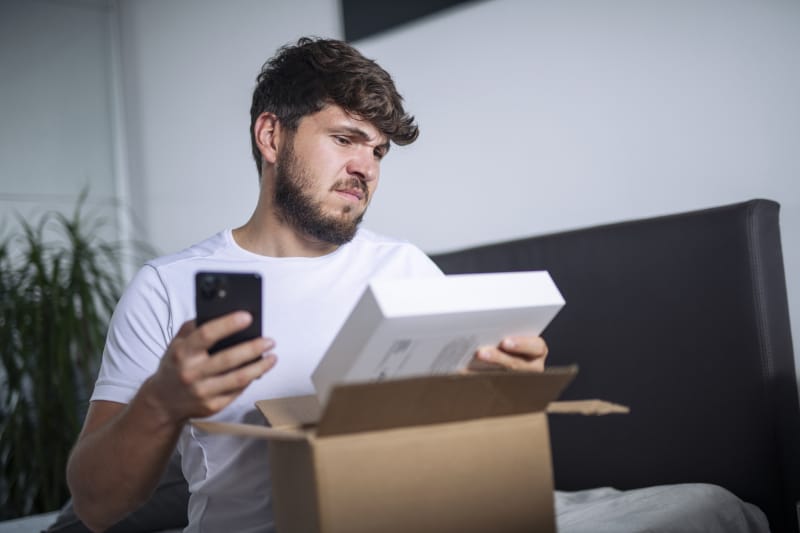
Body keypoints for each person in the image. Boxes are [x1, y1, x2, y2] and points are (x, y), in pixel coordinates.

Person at [66, 36, 549, 533]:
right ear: (271, 136)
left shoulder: (405, 270)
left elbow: (462, 456)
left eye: (378, 151)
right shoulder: (166, 288)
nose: (366, 168)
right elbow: (95, 505)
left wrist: (507, 396)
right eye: (344, 139)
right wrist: (161, 402)